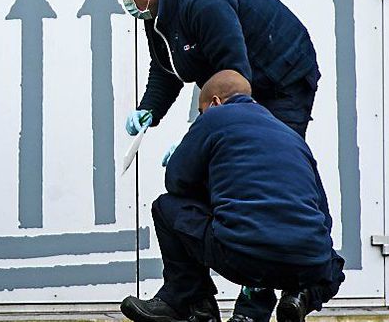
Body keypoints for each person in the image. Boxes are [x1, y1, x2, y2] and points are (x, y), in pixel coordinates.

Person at [120, 71, 345, 322]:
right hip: (308, 263)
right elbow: (324, 218)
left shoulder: (215, 117)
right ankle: (301, 294)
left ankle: (189, 301)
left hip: (243, 257)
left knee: (166, 207)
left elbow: (177, 183)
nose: (201, 117)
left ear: (215, 102)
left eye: (201, 111)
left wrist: (205, 175)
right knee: (331, 261)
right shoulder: (291, 135)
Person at [111, 0, 319, 140]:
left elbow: (233, 82)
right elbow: (166, 66)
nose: (127, 4)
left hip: (282, 77)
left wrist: (197, 141)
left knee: (274, 157)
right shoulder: (155, 8)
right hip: (243, 78)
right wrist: (149, 109)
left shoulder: (204, 3)